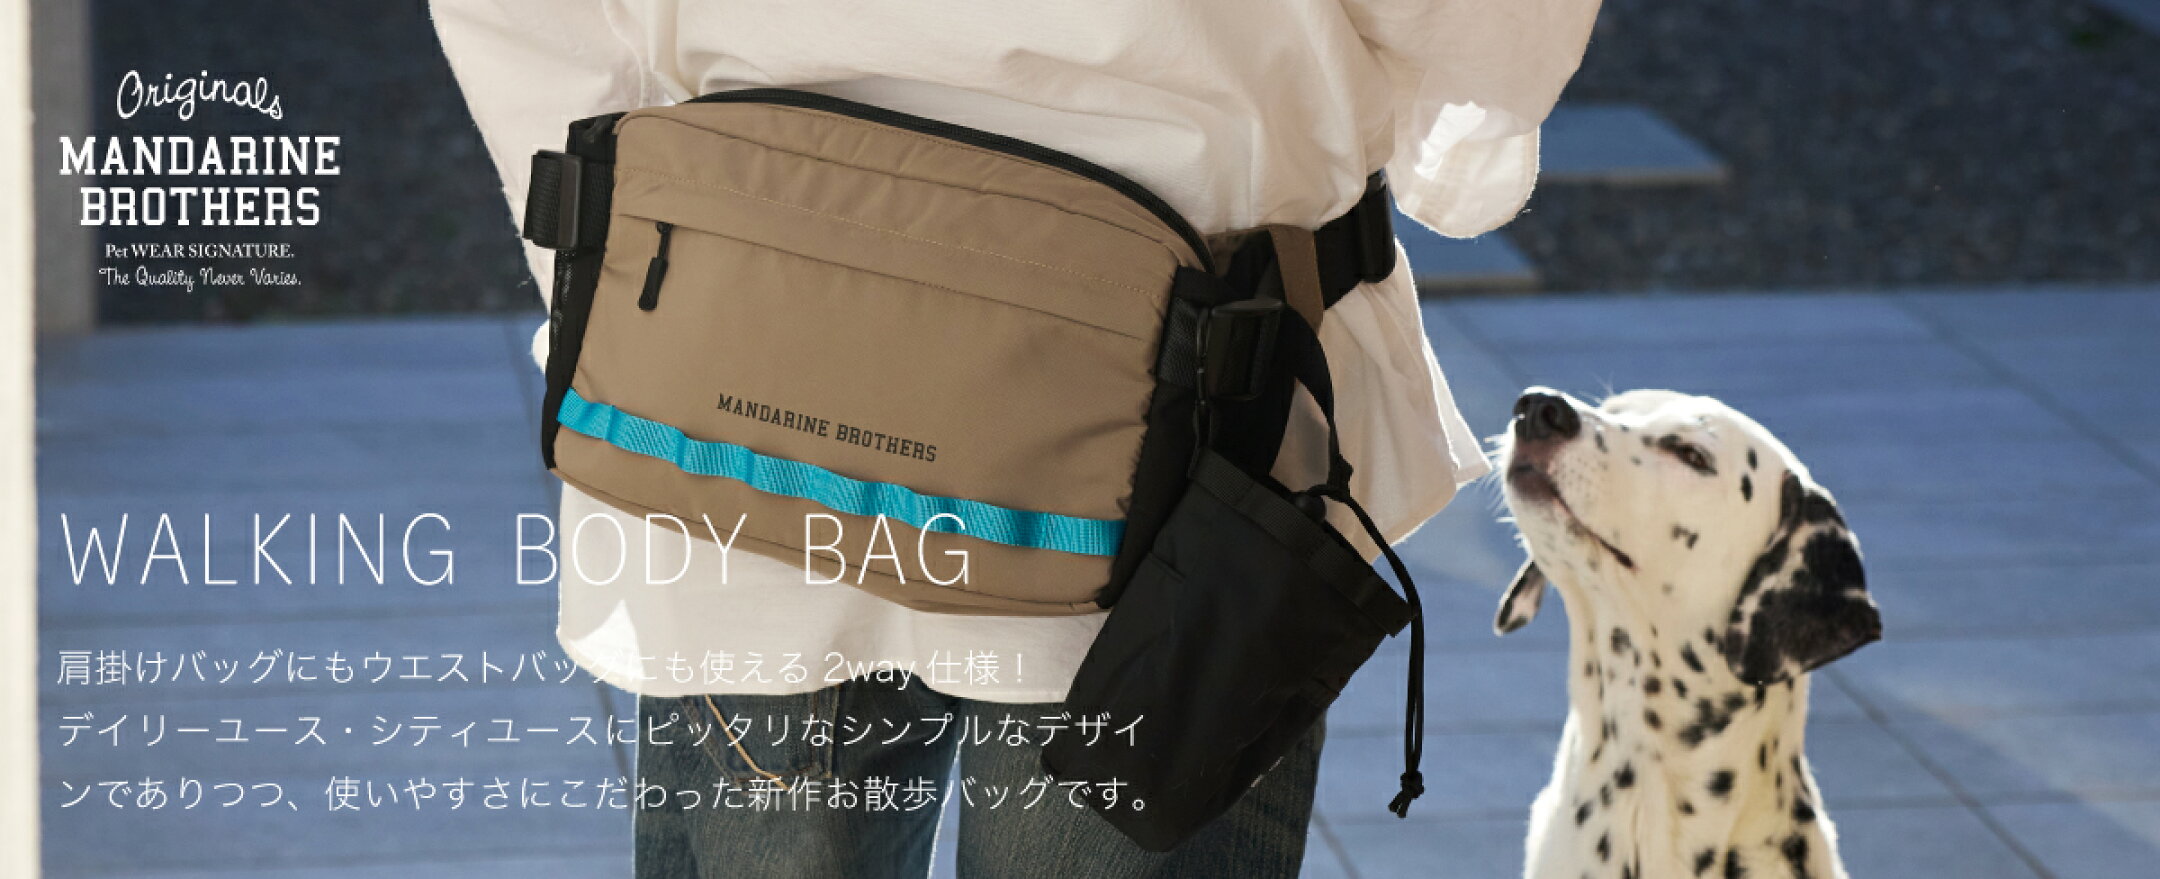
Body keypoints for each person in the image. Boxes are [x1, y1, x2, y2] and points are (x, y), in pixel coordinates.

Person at [431, 1, 1600, 875]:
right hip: (1189, 450)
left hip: (753, 401)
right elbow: (1486, 38)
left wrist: (641, 279)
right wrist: (1448, 158)